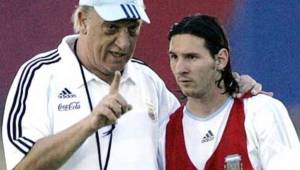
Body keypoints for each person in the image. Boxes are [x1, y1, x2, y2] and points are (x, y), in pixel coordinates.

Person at [2, 1, 262, 169]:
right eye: (111, 28)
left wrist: (228, 92)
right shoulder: (40, 75)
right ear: (82, 20)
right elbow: (23, 166)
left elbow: (192, 132)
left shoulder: (145, 79)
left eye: (132, 29)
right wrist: (88, 125)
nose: (124, 43)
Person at [158, 14, 300, 170]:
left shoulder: (261, 113)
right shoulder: (165, 133)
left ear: (221, 60)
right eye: (174, 57)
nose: (180, 69)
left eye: (191, 57)